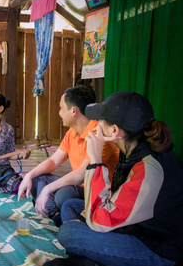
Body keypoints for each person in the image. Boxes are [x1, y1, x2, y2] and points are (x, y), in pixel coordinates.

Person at [42, 91, 183, 266]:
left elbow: (101, 220)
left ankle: (84, 256)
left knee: (68, 232)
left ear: (114, 131)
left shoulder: (148, 168)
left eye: (100, 120)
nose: (96, 125)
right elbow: (115, 203)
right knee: (70, 206)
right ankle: (85, 257)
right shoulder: (134, 148)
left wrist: (95, 161)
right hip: (134, 226)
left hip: (156, 253)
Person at [18, 86, 119, 226]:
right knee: (37, 177)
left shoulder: (99, 134)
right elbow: (54, 161)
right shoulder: (72, 132)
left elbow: (82, 174)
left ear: (73, 111)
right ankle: (56, 215)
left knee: (62, 194)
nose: (59, 113)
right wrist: (29, 175)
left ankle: (59, 212)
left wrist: (48, 188)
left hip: (97, 193)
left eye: (61, 108)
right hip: (78, 188)